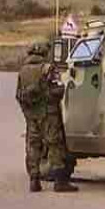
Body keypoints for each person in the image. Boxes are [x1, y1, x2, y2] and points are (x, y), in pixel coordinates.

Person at [16, 42, 78, 193]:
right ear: (44, 54)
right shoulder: (48, 69)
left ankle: (34, 180)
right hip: (48, 113)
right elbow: (58, 90)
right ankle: (60, 181)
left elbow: (18, 95)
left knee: (33, 145)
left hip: (31, 115)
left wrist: (28, 111)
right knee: (54, 144)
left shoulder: (23, 71)